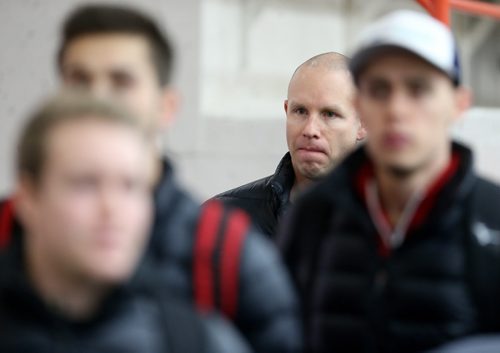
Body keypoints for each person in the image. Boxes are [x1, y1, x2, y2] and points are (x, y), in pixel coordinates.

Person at [0, 4, 302, 353]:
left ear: (166, 106)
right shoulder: (9, 227)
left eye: (121, 81)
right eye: (79, 80)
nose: (97, 98)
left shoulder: (228, 255)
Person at [280, 10, 500, 353]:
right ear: (360, 107)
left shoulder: (493, 219)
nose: (397, 108)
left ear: (459, 105)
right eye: (380, 89)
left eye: (418, 89)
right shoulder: (313, 217)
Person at [0, 93, 252, 353]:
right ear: (28, 197)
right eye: (85, 183)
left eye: (130, 186)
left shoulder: (196, 341)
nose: (112, 208)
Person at [213, 53, 366, 238]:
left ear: (363, 122)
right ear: (287, 111)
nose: (310, 130)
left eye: (329, 114)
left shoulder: (393, 224)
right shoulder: (224, 222)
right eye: (300, 111)